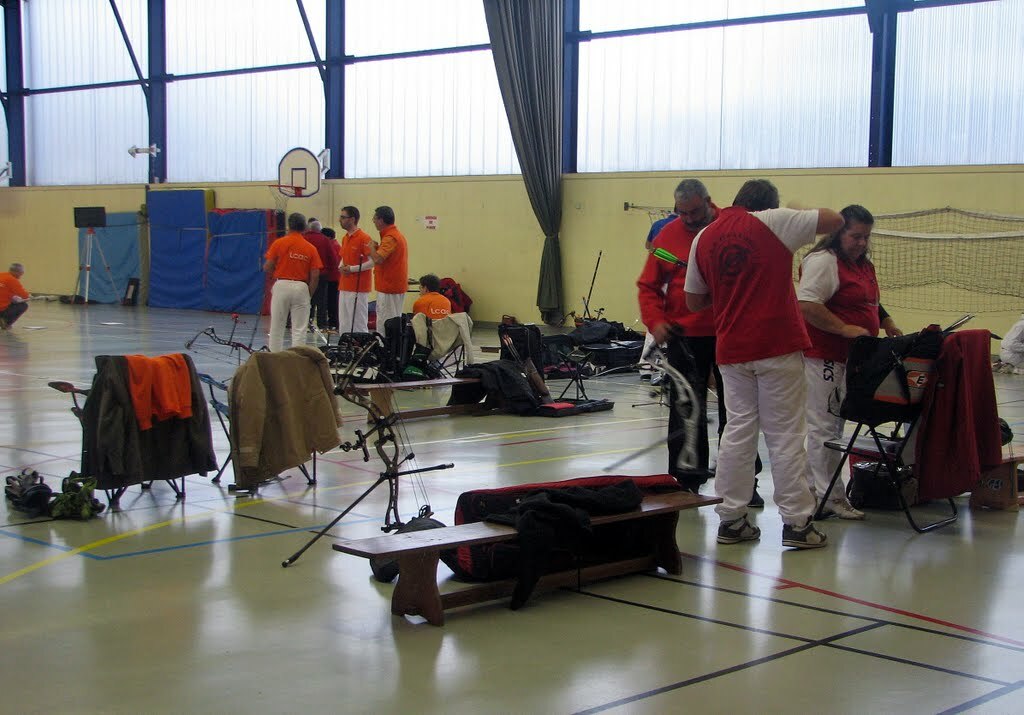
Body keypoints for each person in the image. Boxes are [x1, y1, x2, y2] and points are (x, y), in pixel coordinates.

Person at [685, 179, 843, 549]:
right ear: (769, 205)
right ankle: (797, 523)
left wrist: (731, 287)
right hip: (776, 345)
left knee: (738, 431)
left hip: (731, 349)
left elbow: (694, 301)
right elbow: (835, 220)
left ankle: (731, 519)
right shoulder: (775, 220)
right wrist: (796, 212)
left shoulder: (704, 237)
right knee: (785, 435)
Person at [798, 204, 902, 520]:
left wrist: (885, 320)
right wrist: (843, 328)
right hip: (825, 358)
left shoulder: (862, 265)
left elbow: (867, 300)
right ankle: (828, 496)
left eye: (866, 237)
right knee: (824, 428)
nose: (861, 243)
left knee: (834, 425)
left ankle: (817, 491)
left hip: (853, 359)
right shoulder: (823, 261)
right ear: (838, 233)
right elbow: (807, 304)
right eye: (856, 236)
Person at [264, 212, 323, 352]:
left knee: (277, 326)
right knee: (299, 329)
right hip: (301, 287)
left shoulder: (279, 243)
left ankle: (274, 357)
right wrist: (308, 293)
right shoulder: (310, 248)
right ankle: (297, 359)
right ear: (304, 228)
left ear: (288, 226)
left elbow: (267, 266)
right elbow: (315, 275)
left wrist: (276, 273)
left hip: (281, 285)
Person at [369, 205, 409, 330]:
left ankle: (385, 342)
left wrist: (371, 248)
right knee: (393, 320)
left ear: (381, 220)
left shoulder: (390, 238)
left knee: (385, 322)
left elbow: (378, 259)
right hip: (393, 286)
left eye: (375, 218)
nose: (373, 221)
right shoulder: (395, 235)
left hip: (389, 287)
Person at [337, 206, 374, 334]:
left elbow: (372, 262)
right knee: (344, 322)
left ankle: (361, 345)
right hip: (344, 285)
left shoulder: (364, 238)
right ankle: (345, 344)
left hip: (358, 287)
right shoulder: (345, 238)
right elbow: (343, 257)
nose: (340, 220)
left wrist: (352, 269)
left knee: (359, 322)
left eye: (343, 217)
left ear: (352, 219)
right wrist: (341, 266)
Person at [303, 219, 339, 331]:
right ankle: (322, 324)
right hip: (322, 274)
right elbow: (333, 259)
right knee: (321, 300)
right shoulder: (325, 240)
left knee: (306, 298)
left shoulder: (303, 238)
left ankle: (306, 322)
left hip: (305, 274)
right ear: (319, 230)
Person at [321, 227, 341, 331]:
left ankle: (333, 322)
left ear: (327, 237)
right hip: (334, 277)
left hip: (332, 277)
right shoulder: (335, 245)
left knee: (332, 301)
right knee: (331, 301)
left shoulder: (333, 246)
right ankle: (333, 322)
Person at [0, 263, 30, 329]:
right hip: (1, 309)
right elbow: (25, 295)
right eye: (21, 273)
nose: (21, 275)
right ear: (15, 272)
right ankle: (6, 323)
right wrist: (29, 296)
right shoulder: (12, 279)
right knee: (23, 305)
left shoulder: (1, 275)